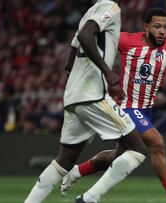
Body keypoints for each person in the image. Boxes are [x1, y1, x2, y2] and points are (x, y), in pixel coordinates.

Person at [61, 8, 166, 203]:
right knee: (157, 143)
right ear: (146, 27)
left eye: (165, 27)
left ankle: (76, 172)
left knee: (116, 156)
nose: (162, 31)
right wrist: (72, 67)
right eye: (157, 26)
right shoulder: (125, 40)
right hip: (126, 106)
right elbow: (85, 37)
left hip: (146, 110)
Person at [24, 1, 148, 203]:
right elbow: (84, 35)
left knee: (65, 160)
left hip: (74, 95)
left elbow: (70, 58)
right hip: (92, 95)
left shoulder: (89, 12)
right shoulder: (111, 6)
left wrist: (75, 74)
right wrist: (108, 73)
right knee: (137, 148)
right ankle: (89, 199)